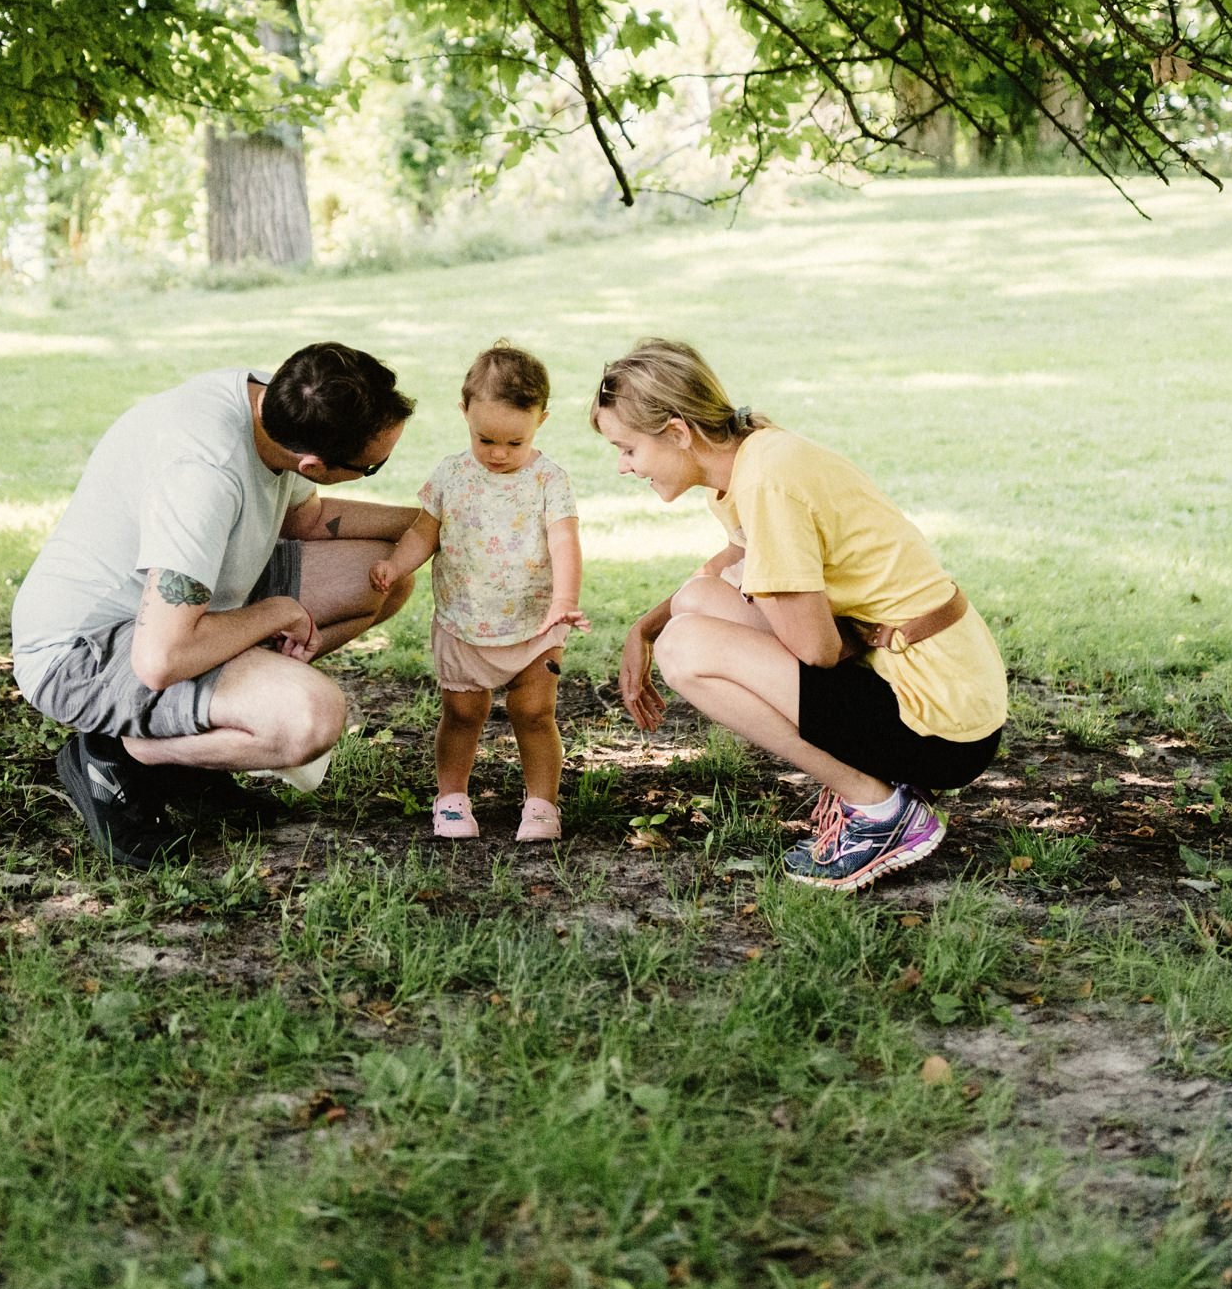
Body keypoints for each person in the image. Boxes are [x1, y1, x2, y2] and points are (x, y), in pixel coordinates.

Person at [591, 338, 1005, 891]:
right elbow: (733, 561)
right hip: (933, 686)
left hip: (942, 724)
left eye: (627, 448)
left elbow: (818, 651)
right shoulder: (754, 458)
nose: (623, 466)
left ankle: (879, 810)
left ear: (676, 432)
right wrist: (645, 624)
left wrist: (682, 629)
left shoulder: (766, 482)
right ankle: (877, 790)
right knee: (693, 604)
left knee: (684, 648)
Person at [11, 343, 422, 867]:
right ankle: (122, 755)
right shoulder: (202, 476)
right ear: (313, 464)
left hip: (189, 607)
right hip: (86, 650)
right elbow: (160, 659)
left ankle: (197, 744)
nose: (379, 468)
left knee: (386, 575)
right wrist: (275, 612)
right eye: (372, 467)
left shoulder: (275, 400)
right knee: (311, 720)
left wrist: (428, 523)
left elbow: (305, 519)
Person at [369, 341, 585, 841]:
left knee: (534, 713)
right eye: (486, 439)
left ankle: (541, 804)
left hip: (535, 623)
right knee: (463, 714)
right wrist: (396, 564)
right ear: (464, 412)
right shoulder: (450, 475)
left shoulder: (550, 480)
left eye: (516, 442)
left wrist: (564, 602)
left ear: (541, 421)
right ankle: (451, 797)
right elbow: (425, 532)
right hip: (464, 621)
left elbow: (565, 541)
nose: (500, 454)